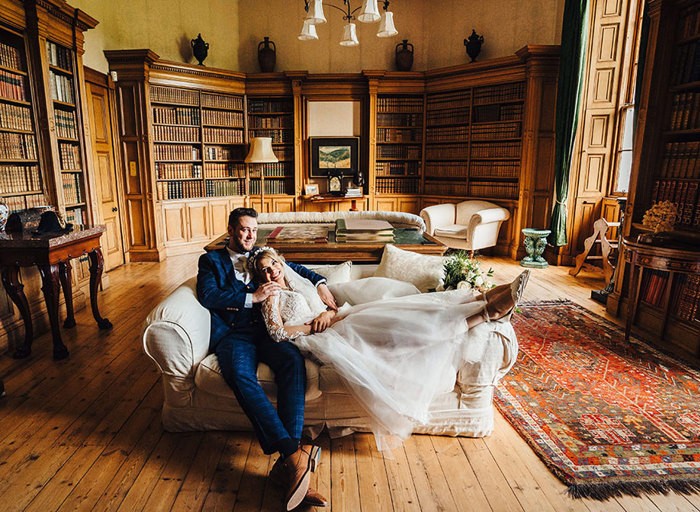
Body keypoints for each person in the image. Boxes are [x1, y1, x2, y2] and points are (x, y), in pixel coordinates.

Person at [249, 246, 529, 451]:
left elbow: (325, 307)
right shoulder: (270, 296)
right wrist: (315, 325)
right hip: (320, 337)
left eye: (273, 264)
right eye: (264, 270)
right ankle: (483, 314)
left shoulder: (301, 282)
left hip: (336, 320)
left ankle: (482, 298)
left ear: (282, 262)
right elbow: (277, 332)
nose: (271, 271)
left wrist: (327, 314)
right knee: (398, 330)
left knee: (400, 311)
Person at [196, 208, 336, 510]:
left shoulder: (262, 254)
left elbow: (294, 268)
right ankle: (293, 456)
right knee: (239, 374)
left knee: (292, 364)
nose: (250, 235)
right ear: (231, 230)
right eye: (244, 229)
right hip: (236, 334)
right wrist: (252, 298)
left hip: (272, 330)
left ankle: (288, 468)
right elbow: (208, 295)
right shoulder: (211, 260)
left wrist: (321, 282)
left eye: (254, 230)